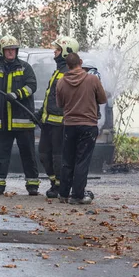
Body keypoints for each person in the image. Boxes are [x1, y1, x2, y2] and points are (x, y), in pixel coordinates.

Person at [0, 35, 40, 196]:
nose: (11, 52)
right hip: (2, 120)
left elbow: (32, 86)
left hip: (23, 120)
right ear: (2, 51)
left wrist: (17, 94)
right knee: (1, 155)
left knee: (28, 155)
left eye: (13, 49)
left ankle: (32, 185)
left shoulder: (25, 68)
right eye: (8, 50)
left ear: (16, 51)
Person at [56, 53, 107, 205]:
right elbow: (103, 99)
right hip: (88, 125)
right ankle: (77, 195)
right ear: (80, 62)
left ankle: (63, 193)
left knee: (68, 160)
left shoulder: (61, 82)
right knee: (82, 161)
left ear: (67, 65)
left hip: (69, 125)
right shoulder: (92, 79)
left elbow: (59, 104)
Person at [35, 36, 80, 199]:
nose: (54, 51)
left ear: (66, 53)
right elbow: (50, 97)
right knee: (44, 154)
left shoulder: (69, 74)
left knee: (58, 157)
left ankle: (61, 186)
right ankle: (55, 183)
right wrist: (39, 115)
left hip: (61, 124)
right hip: (48, 123)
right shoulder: (58, 72)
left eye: (58, 49)